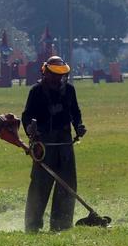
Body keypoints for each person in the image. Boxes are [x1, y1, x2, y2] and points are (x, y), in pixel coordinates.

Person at [21, 56, 86, 233]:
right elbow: (26, 116)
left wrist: (79, 125)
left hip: (64, 142)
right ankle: (32, 225)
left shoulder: (70, 91)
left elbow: (75, 112)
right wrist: (30, 129)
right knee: (40, 185)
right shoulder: (36, 92)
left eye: (61, 76)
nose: (59, 79)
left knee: (67, 183)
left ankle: (61, 225)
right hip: (43, 144)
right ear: (46, 73)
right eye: (55, 75)